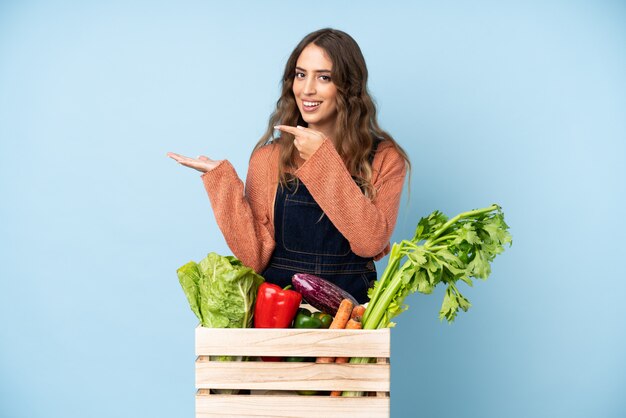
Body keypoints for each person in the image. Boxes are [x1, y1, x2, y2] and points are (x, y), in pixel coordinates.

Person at [167, 28, 410, 303]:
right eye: (301, 74)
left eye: (324, 77)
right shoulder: (268, 158)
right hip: (279, 317)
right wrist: (221, 181)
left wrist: (321, 160)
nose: (307, 89)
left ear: (349, 86)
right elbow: (254, 257)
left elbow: (369, 242)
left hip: (351, 319)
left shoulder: (384, 158)